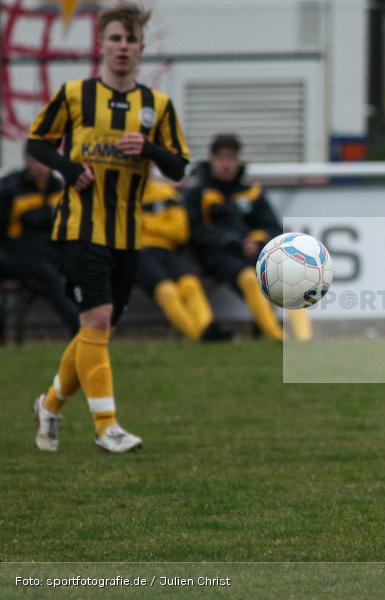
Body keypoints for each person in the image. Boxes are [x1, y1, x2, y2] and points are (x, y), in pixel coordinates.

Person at [27, 1, 190, 453]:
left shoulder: (156, 106)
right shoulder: (76, 94)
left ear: (141, 48)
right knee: (96, 320)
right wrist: (66, 167)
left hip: (127, 232)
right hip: (80, 226)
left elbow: (178, 169)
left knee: (95, 332)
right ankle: (107, 426)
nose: (122, 47)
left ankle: (50, 405)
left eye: (130, 39)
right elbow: (37, 142)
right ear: (102, 44)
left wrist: (152, 150)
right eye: (115, 38)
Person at [186, 133, 312, 341]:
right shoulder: (198, 193)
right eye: (221, 158)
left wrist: (258, 239)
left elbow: (271, 226)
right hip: (217, 256)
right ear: (211, 160)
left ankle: (305, 339)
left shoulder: (251, 191)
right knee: (249, 278)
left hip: (253, 251)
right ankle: (277, 337)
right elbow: (196, 232)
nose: (227, 165)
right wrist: (234, 242)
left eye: (231, 158)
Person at [136, 175, 232, 342]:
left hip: (167, 250)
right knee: (167, 291)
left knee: (190, 284)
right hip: (137, 254)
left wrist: (146, 223)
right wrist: (161, 224)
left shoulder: (165, 192)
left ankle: (208, 328)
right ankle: (199, 336)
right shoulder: (119, 192)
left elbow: (180, 232)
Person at [0, 153, 80, 336]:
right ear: (27, 162)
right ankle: (79, 328)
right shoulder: (11, 190)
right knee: (48, 276)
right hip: (19, 255)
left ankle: (91, 327)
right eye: (36, 162)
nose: (40, 167)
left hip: (51, 254)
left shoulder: (60, 189)